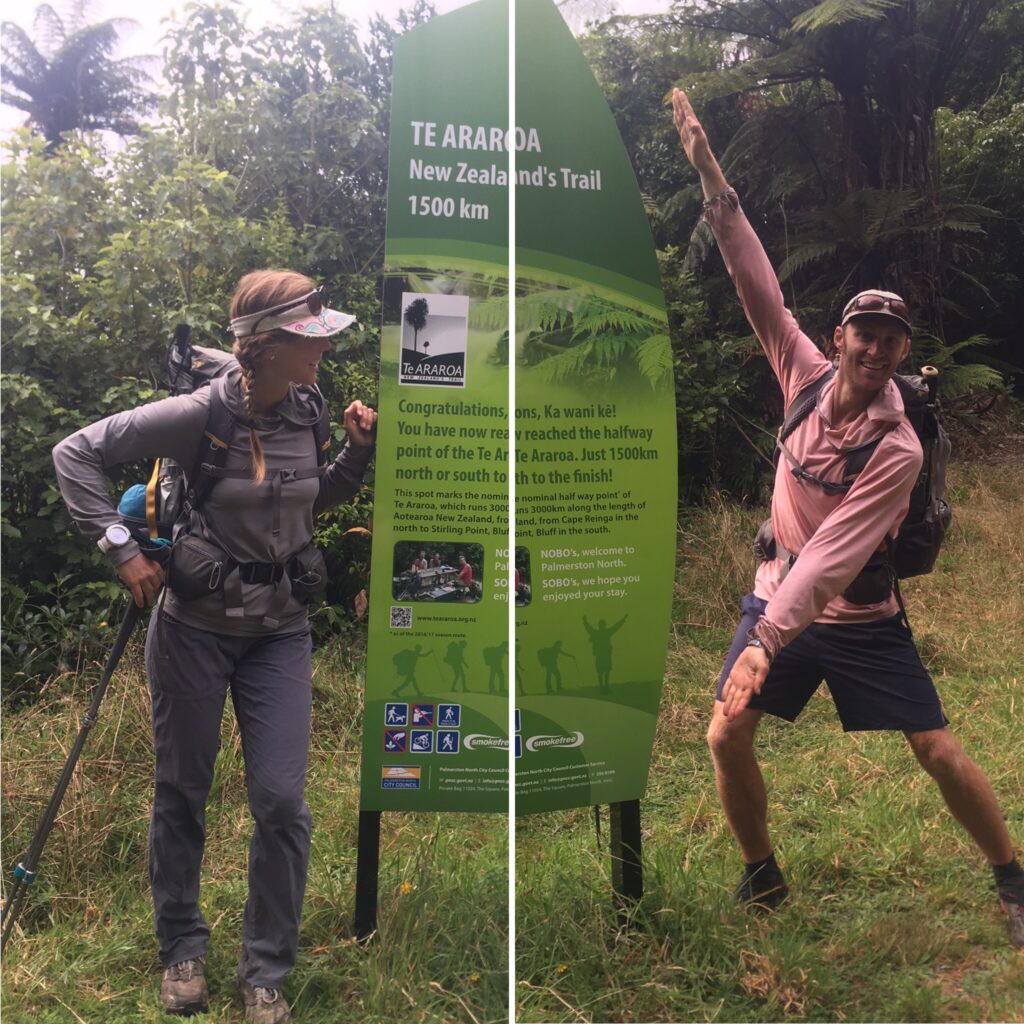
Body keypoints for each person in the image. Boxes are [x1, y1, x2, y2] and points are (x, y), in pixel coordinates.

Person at [672, 88, 1024, 946]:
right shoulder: (800, 374)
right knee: (726, 736)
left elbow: (831, 557)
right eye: (862, 332)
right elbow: (755, 280)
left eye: (890, 339)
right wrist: (713, 178)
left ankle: (1013, 875)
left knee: (936, 750)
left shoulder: (899, 448)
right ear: (838, 338)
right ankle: (762, 874)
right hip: (777, 597)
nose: (873, 348)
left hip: (858, 616)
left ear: (904, 353)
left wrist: (764, 641)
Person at [52, 270, 379, 1020]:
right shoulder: (197, 413)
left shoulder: (310, 407)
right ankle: (183, 951)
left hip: (279, 632)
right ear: (264, 346)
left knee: (281, 801)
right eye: (310, 339)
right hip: (193, 632)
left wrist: (355, 456)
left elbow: (307, 500)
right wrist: (119, 547)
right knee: (182, 793)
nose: (323, 351)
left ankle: (265, 968)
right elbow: (76, 453)